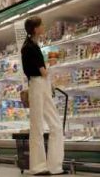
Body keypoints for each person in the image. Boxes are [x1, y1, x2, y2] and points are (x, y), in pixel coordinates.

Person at [21, 16, 67, 175]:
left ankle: (54, 166)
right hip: (38, 85)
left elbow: (42, 72)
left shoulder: (32, 45)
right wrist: (53, 64)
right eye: (41, 25)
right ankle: (39, 167)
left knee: (54, 125)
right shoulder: (30, 47)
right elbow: (43, 72)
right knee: (38, 127)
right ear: (35, 29)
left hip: (41, 85)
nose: (44, 26)